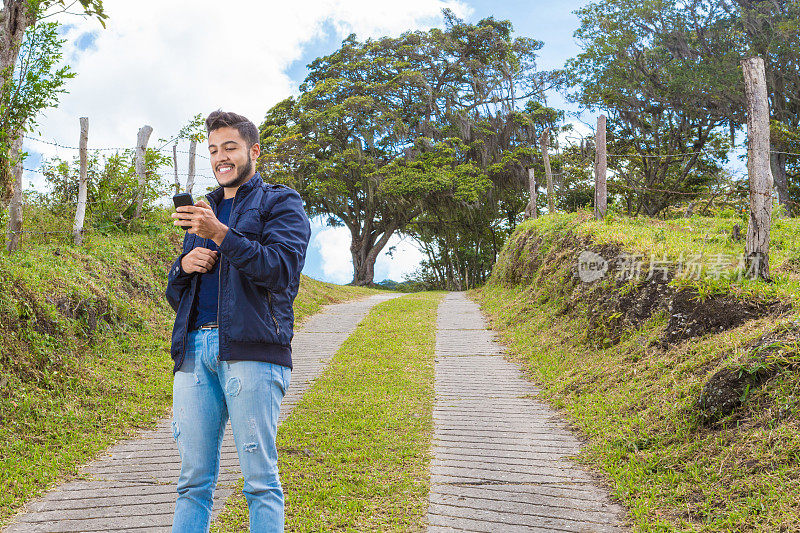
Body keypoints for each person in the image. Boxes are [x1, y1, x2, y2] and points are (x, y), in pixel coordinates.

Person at [165, 110, 311, 532]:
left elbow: (281, 269)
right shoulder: (203, 209)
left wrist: (220, 235)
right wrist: (183, 266)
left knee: (260, 482)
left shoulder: (280, 202)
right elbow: (179, 296)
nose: (220, 157)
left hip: (253, 350)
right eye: (213, 150)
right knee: (192, 482)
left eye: (230, 147)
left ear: (253, 151)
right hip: (194, 351)